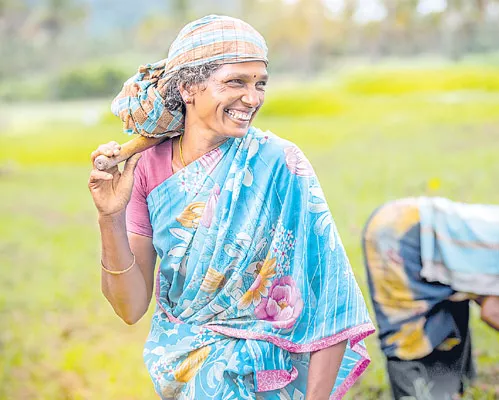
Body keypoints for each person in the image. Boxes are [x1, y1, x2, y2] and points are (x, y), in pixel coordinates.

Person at [88, 15, 374, 400]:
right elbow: (130, 307)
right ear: (189, 87)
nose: (253, 98)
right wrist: (110, 218)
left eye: (260, 84)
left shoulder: (280, 164)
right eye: (235, 82)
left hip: (269, 373)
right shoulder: (147, 169)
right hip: (185, 368)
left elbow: (328, 297)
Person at [362, 194, 499, 400]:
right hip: (397, 236)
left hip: (403, 216)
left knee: (454, 303)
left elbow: (477, 289)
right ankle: (414, 392)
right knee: (404, 325)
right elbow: (492, 313)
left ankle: (453, 385)